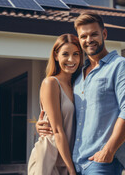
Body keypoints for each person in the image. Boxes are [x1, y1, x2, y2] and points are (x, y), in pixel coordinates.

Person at [37, 13, 125, 175]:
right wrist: (44, 124)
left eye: (94, 34)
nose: (89, 40)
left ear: (104, 34)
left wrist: (108, 151)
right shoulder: (78, 76)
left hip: (101, 163)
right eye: (83, 36)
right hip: (76, 161)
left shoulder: (121, 66)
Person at [35, 34, 83, 175]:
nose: (71, 60)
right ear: (56, 56)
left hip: (72, 158)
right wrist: (71, 170)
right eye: (65, 54)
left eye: (76, 54)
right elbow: (57, 131)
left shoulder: (78, 85)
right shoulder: (50, 83)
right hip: (50, 160)